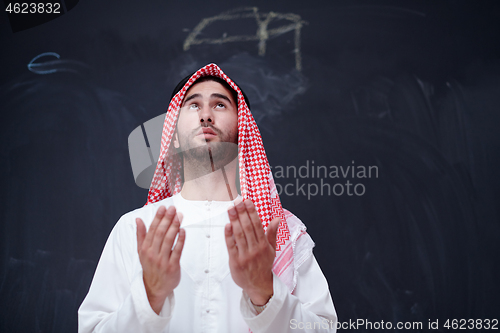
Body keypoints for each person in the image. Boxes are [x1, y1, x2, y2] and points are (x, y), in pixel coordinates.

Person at [78, 63, 337, 332]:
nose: (205, 116)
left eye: (220, 105)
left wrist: (266, 294)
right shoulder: (135, 230)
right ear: (173, 136)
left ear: (242, 130)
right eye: (192, 105)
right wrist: (149, 298)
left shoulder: (281, 231)